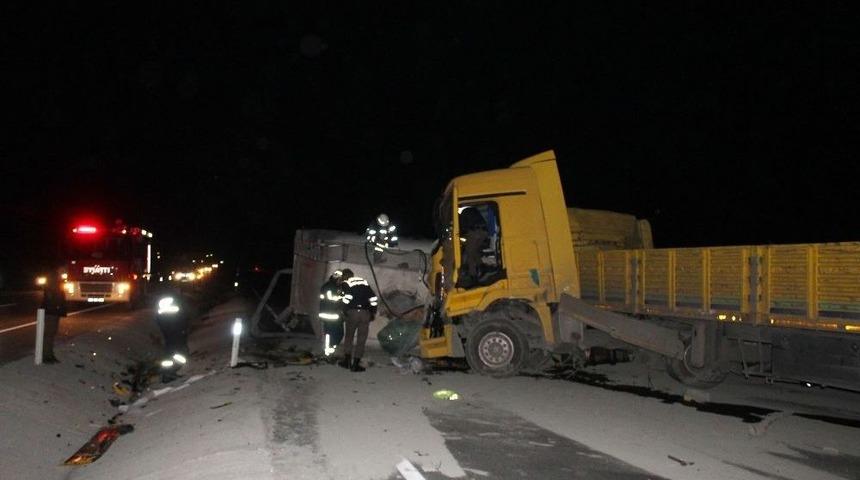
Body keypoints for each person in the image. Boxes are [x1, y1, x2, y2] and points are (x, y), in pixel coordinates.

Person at [337, 269, 378, 372]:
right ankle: (355, 365)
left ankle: (347, 362)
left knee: (349, 336)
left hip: (353, 313)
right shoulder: (364, 282)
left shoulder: (347, 283)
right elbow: (373, 298)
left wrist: (344, 310)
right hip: (365, 313)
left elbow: (348, 297)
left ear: (345, 276)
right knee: (362, 339)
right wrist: (372, 312)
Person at [40, 267, 67, 364]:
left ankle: (49, 354)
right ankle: (46, 356)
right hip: (51, 312)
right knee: (49, 334)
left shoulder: (57, 281)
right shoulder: (54, 282)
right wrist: (57, 307)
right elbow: (51, 297)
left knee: (51, 334)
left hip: (54, 311)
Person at [458, 207, 489, 288]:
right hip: (484, 232)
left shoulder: (462, 214)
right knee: (474, 250)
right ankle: (482, 266)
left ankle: (473, 276)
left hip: (475, 232)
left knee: (469, 253)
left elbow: (461, 228)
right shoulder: (473, 210)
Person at [318, 270, 345, 356]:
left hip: (329, 314)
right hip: (330, 315)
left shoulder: (330, 286)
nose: (341, 281)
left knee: (332, 333)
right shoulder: (329, 287)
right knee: (333, 333)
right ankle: (329, 350)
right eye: (340, 279)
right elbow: (331, 298)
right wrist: (341, 297)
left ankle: (330, 349)